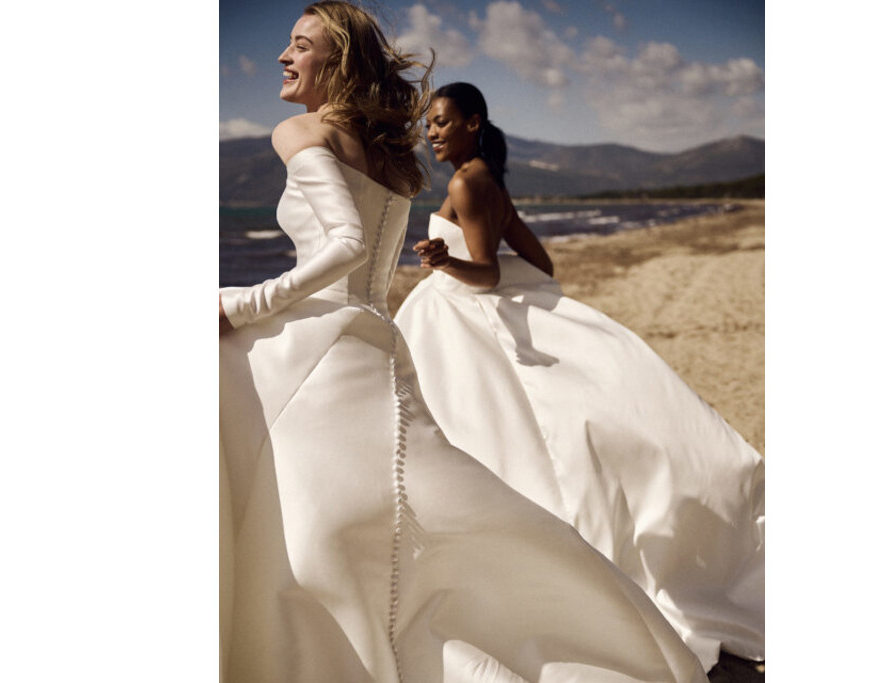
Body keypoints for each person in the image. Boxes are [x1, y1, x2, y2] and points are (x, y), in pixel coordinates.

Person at [219, 4, 708, 681]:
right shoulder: (393, 163)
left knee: (307, 525)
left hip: (314, 349)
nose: (282, 55)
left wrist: (239, 302)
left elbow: (346, 245)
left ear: (340, 65)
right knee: (398, 514)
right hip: (374, 342)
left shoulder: (298, 131)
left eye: (300, 45)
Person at [394, 81, 765, 672]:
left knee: (472, 433)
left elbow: (487, 275)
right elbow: (539, 264)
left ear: (473, 122)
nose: (431, 133)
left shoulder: (468, 182)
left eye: (441, 122)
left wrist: (445, 263)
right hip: (467, 317)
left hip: (461, 322)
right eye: (429, 124)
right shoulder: (492, 179)